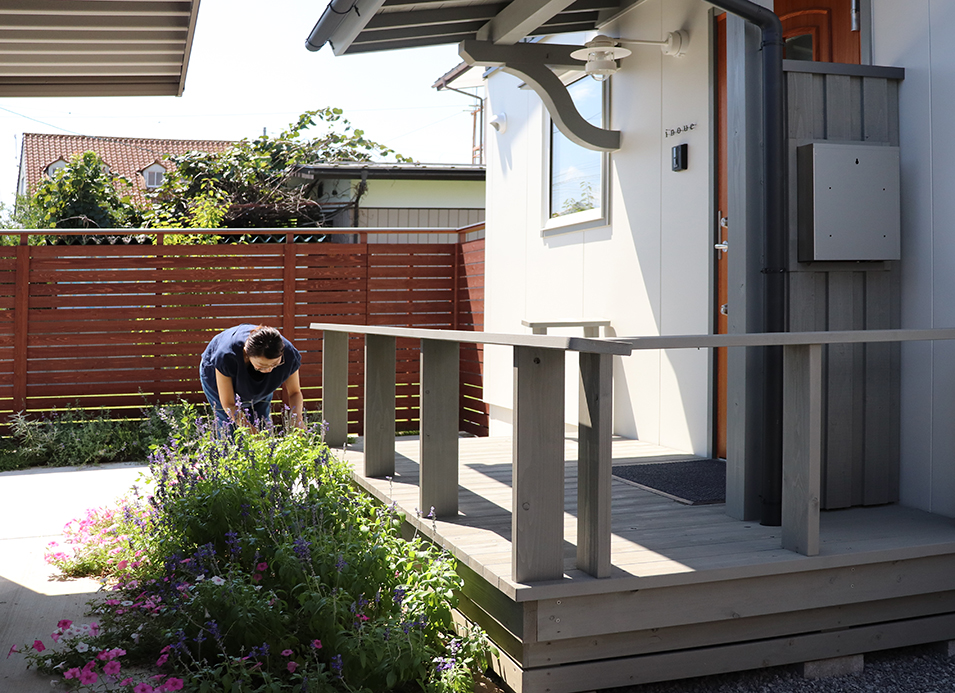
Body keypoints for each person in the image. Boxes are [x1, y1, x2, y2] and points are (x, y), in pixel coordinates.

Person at [199, 324, 304, 431]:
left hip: (260, 380)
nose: (269, 370)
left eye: (275, 364)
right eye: (262, 365)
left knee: (262, 425)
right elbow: (229, 404)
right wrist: (251, 432)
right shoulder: (227, 356)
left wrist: (297, 420)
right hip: (217, 374)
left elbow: (295, 392)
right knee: (230, 428)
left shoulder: (289, 354)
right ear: (246, 353)